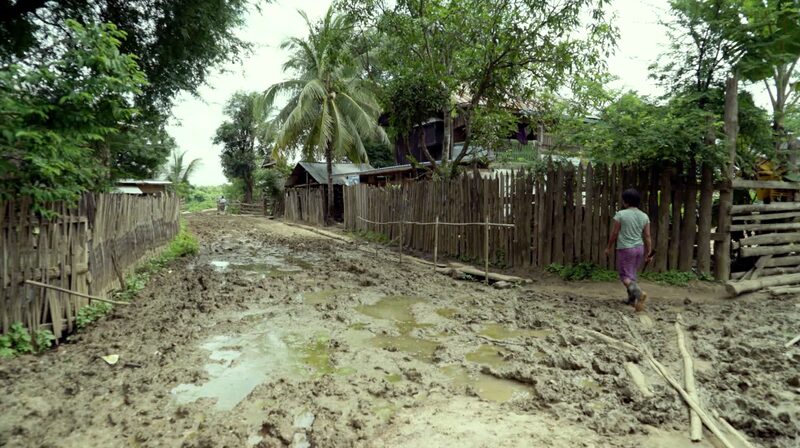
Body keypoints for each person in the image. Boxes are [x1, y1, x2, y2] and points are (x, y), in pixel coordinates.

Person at [605, 188, 652, 311]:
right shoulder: (644, 216)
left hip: (626, 248)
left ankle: (639, 294)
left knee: (624, 276)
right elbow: (647, 236)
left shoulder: (621, 214)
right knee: (631, 274)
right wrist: (649, 252)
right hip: (639, 249)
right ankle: (632, 301)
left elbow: (615, 233)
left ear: (625, 202)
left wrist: (608, 247)